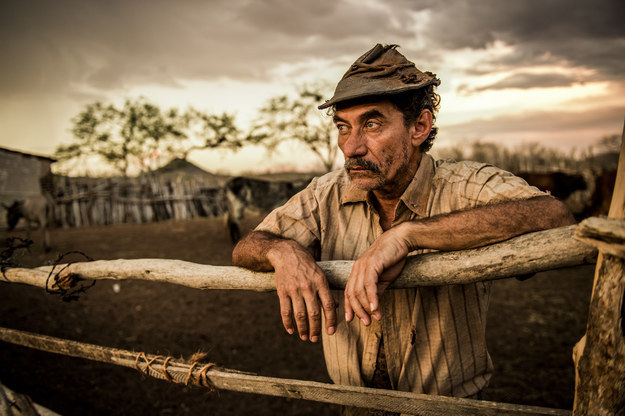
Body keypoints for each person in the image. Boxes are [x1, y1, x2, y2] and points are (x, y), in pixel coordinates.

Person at [232, 44, 575, 413]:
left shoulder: (464, 184)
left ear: (419, 127)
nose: (351, 147)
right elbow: (247, 246)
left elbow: (554, 215)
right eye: (343, 127)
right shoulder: (324, 194)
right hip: (354, 409)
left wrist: (408, 236)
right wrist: (282, 252)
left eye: (372, 124)